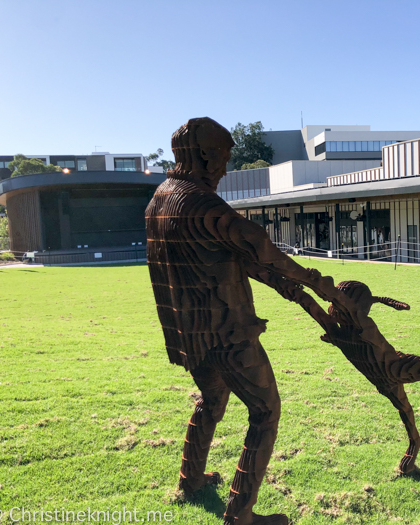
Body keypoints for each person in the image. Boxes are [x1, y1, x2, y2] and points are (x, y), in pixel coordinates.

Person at [145, 118, 357, 525]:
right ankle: (240, 516)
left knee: (212, 399)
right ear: (205, 155)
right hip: (228, 333)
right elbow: (263, 251)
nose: (225, 169)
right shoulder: (203, 205)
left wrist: (293, 292)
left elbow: (229, 257)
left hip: (190, 335)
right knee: (265, 412)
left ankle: (190, 478)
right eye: (224, 157)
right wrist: (325, 288)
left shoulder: (159, 200)